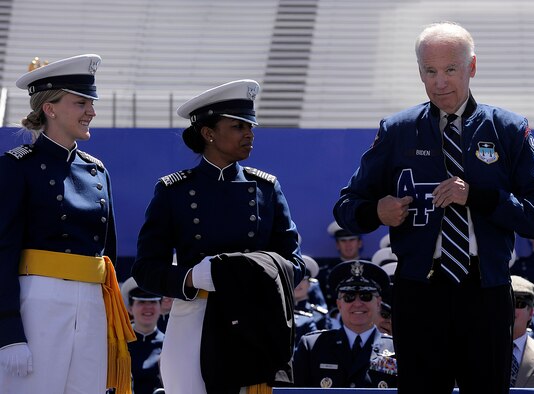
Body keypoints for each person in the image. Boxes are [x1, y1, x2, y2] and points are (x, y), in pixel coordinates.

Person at [333, 21, 534, 394]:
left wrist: (478, 197)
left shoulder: (508, 129)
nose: (440, 82)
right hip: (419, 291)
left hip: (485, 290)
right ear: (419, 71)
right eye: (430, 71)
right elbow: (346, 206)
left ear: (471, 67)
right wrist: (376, 212)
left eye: (450, 69)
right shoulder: (397, 130)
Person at [132, 79, 305, 394]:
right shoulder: (174, 191)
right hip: (194, 318)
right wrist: (191, 278)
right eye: (238, 126)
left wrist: (251, 273)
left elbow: (294, 263)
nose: (250, 133)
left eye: (250, 125)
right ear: (208, 133)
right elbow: (145, 269)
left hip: (254, 322)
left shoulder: (266, 188)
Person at [0, 54, 134, 394]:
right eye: (81, 103)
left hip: (92, 307)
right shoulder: (17, 168)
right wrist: (9, 331)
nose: (91, 111)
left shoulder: (97, 170)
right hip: (39, 305)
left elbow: (109, 255)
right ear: (50, 108)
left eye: (91, 102)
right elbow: (3, 253)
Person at [293, 260, 397, 388]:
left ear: (378, 303)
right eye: (349, 297)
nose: (358, 303)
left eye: (366, 296)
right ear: (339, 304)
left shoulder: (396, 349)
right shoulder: (312, 346)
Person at [120, 277, 165, 394]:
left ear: (160, 307)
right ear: (130, 308)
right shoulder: (118, 344)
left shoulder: (169, 346)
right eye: (141, 302)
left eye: (153, 301)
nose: (148, 307)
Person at [316, 221, 365, 310]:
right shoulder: (325, 273)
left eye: (352, 240)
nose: (348, 245)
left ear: (360, 243)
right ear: (337, 245)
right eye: (343, 241)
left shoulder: (371, 270)